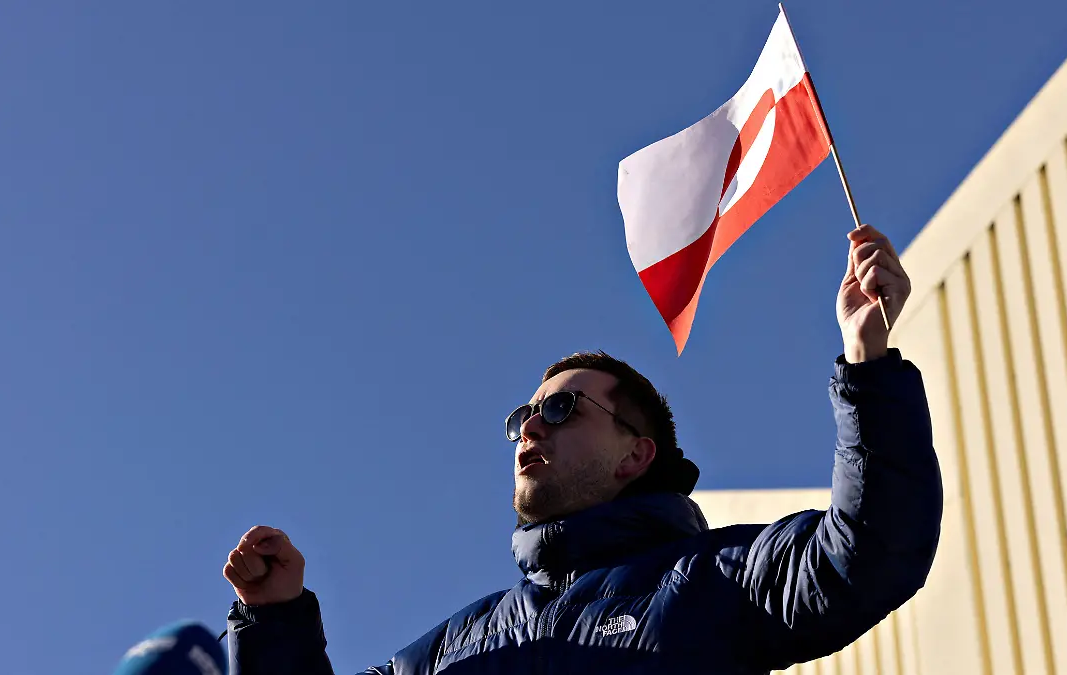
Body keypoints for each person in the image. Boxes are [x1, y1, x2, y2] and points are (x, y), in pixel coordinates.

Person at [221, 224, 944, 674]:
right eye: (524, 416)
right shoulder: (454, 646)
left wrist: (867, 362)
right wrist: (275, 620)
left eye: (562, 409)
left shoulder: (713, 581)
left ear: (636, 455)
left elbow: (868, 551)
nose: (532, 428)